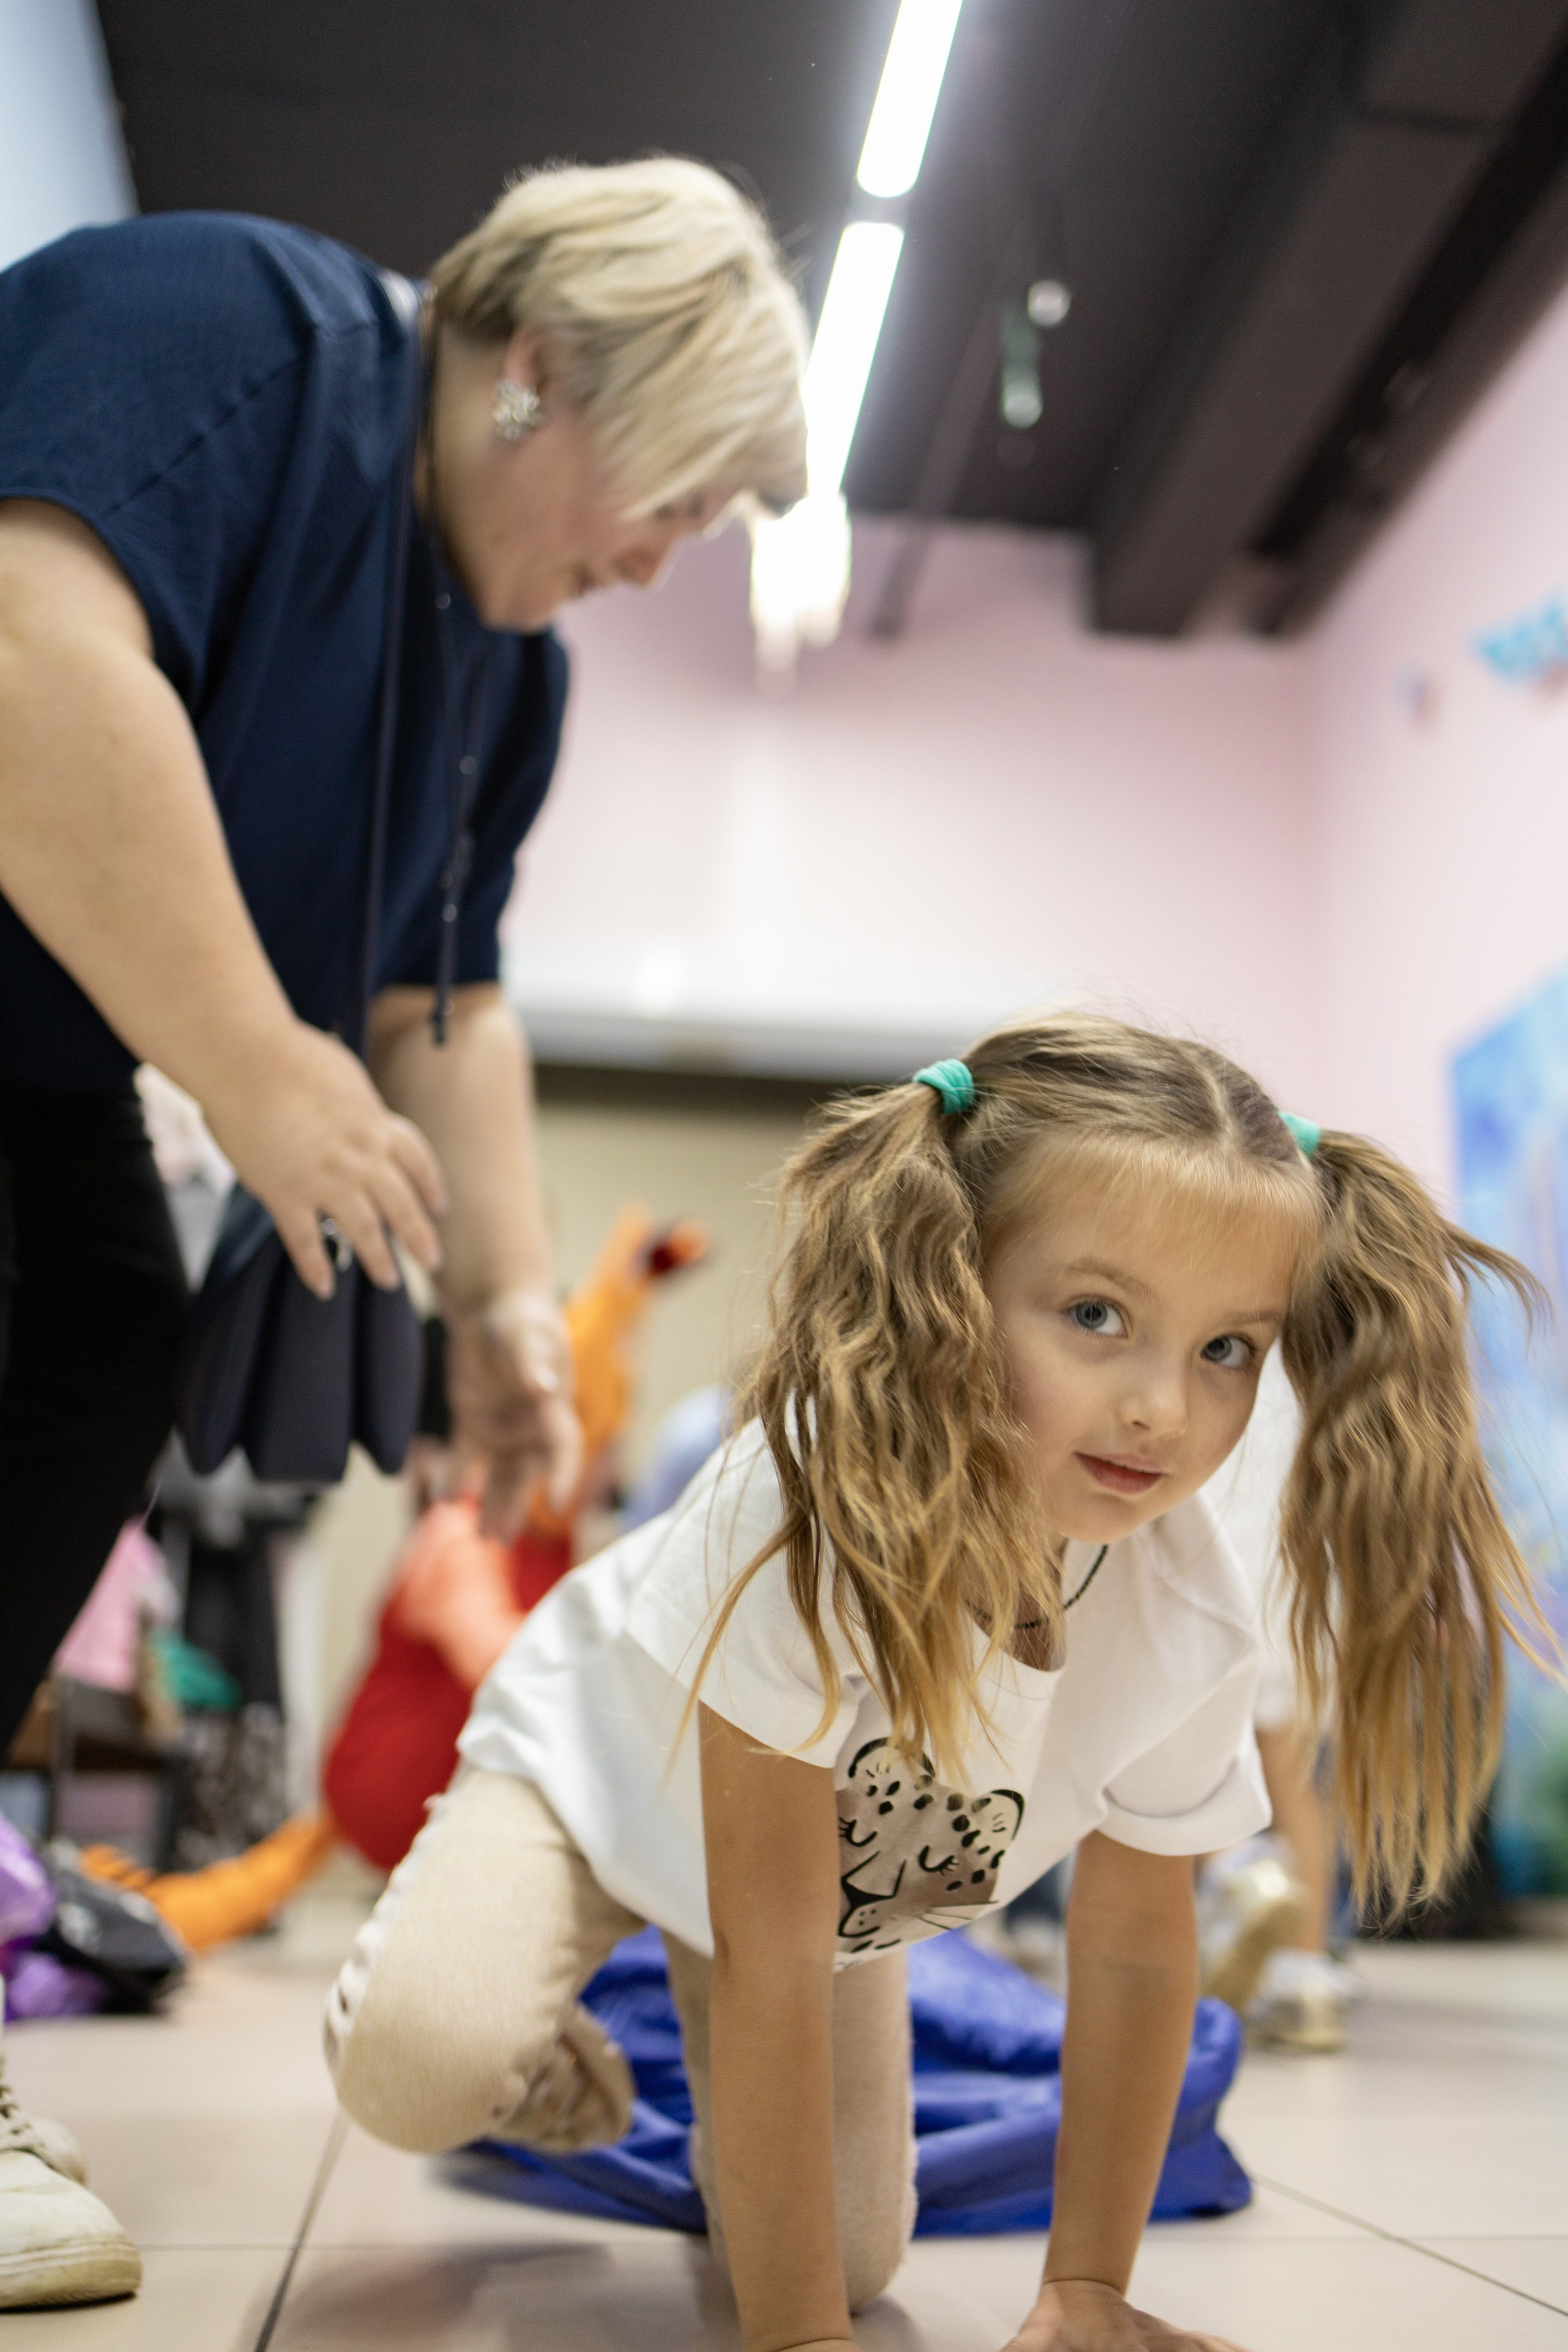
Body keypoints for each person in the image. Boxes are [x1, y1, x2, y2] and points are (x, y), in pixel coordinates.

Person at [0, 156, 806, 2309]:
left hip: (41, 1066)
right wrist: (260, 1074)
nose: (663, 560)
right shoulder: (231, 338)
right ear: (538, 367)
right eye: (678, 495)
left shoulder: (503, 668)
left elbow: (439, 998)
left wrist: (511, 1308)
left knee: (91, 1350)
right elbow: (28, 656)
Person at [323, 1012, 1544, 2352]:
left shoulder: (1187, 1603)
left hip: (805, 1895)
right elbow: (773, 1958)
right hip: (594, 1785)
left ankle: (645, 2001)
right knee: (419, 2071)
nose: (1161, 1408)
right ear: (951, 1285)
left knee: (845, 2260)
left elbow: (1135, 1951)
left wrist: (1083, 2288)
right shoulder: (801, 1510)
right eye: (1095, 1317)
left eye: (1225, 1350)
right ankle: (527, 2020)